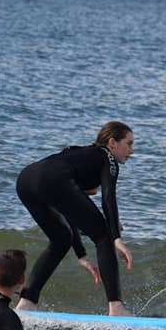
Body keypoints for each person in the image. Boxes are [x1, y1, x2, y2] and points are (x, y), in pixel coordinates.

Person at [15, 121, 135, 316]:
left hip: (25, 180)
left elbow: (70, 211)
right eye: (129, 144)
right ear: (112, 143)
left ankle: (27, 302)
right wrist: (116, 238)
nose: (131, 151)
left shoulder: (80, 156)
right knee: (103, 236)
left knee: (61, 239)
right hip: (51, 179)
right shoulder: (107, 157)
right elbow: (108, 198)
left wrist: (81, 255)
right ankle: (116, 306)